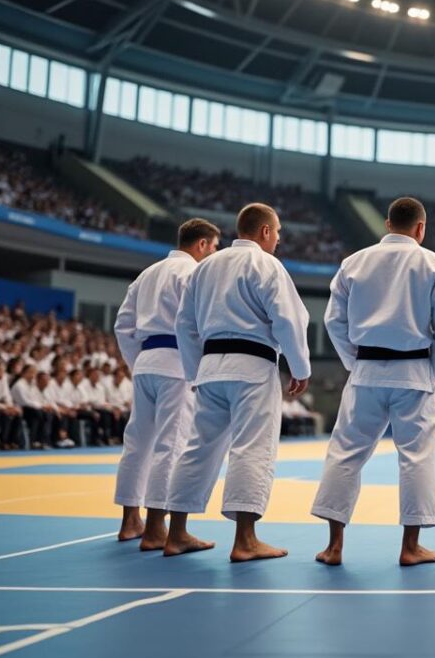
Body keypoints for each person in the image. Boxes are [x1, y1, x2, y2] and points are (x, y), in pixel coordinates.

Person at [312, 196, 435, 566]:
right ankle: (410, 548)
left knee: (345, 453)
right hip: (413, 373)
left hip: (365, 372)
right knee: (416, 458)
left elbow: (334, 321)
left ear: (387, 224)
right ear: (421, 228)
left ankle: (334, 546)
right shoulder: (432, 264)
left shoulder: (354, 263)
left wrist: (355, 361)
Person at [165, 203, 311, 562]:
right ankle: (245, 540)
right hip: (252, 366)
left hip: (211, 365)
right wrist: (299, 365)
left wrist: (194, 370)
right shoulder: (267, 265)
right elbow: (289, 320)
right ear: (264, 232)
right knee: (252, 447)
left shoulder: (205, 267)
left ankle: (176, 533)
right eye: (277, 232)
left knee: (198, 447)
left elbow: (184, 324)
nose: (278, 239)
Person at [112, 218, 220, 549]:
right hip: (177, 363)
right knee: (170, 444)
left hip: (146, 362)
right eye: (214, 247)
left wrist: (139, 362)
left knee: (138, 442)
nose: (214, 254)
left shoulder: (147, 274)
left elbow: (122, 325)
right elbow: (197, 324)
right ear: (201, 244)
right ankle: (157, 527)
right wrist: (198, 366)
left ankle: (131, 521)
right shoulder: (193, 274)